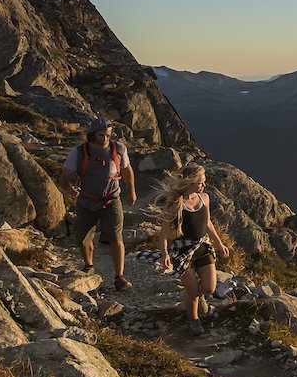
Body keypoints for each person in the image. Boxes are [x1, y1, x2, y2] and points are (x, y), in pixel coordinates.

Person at [63, 118, 137, 291]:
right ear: (92, 135)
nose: (104, 139)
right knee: (82, 237)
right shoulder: (79, 152)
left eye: (107, 135)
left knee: (116, 237)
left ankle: (119, 276)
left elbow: (127, 170)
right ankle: (89, 266)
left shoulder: (118, 149)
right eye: (100, 135)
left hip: (111, 199)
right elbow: (64, 176)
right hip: (86, 200)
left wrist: (131, 190)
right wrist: (69, 188)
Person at [153, 164, 229, 325]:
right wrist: (165, 254)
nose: (203, 185)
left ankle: (199, 302)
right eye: (200, 182)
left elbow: (207, 223)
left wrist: (219, 244)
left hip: (203, 247)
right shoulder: (176, 203)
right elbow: (164, 231)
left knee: (209, 288)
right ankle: (193, 320)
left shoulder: (205, 198)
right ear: (190, 182)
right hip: (182, 251)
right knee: (193, 292)